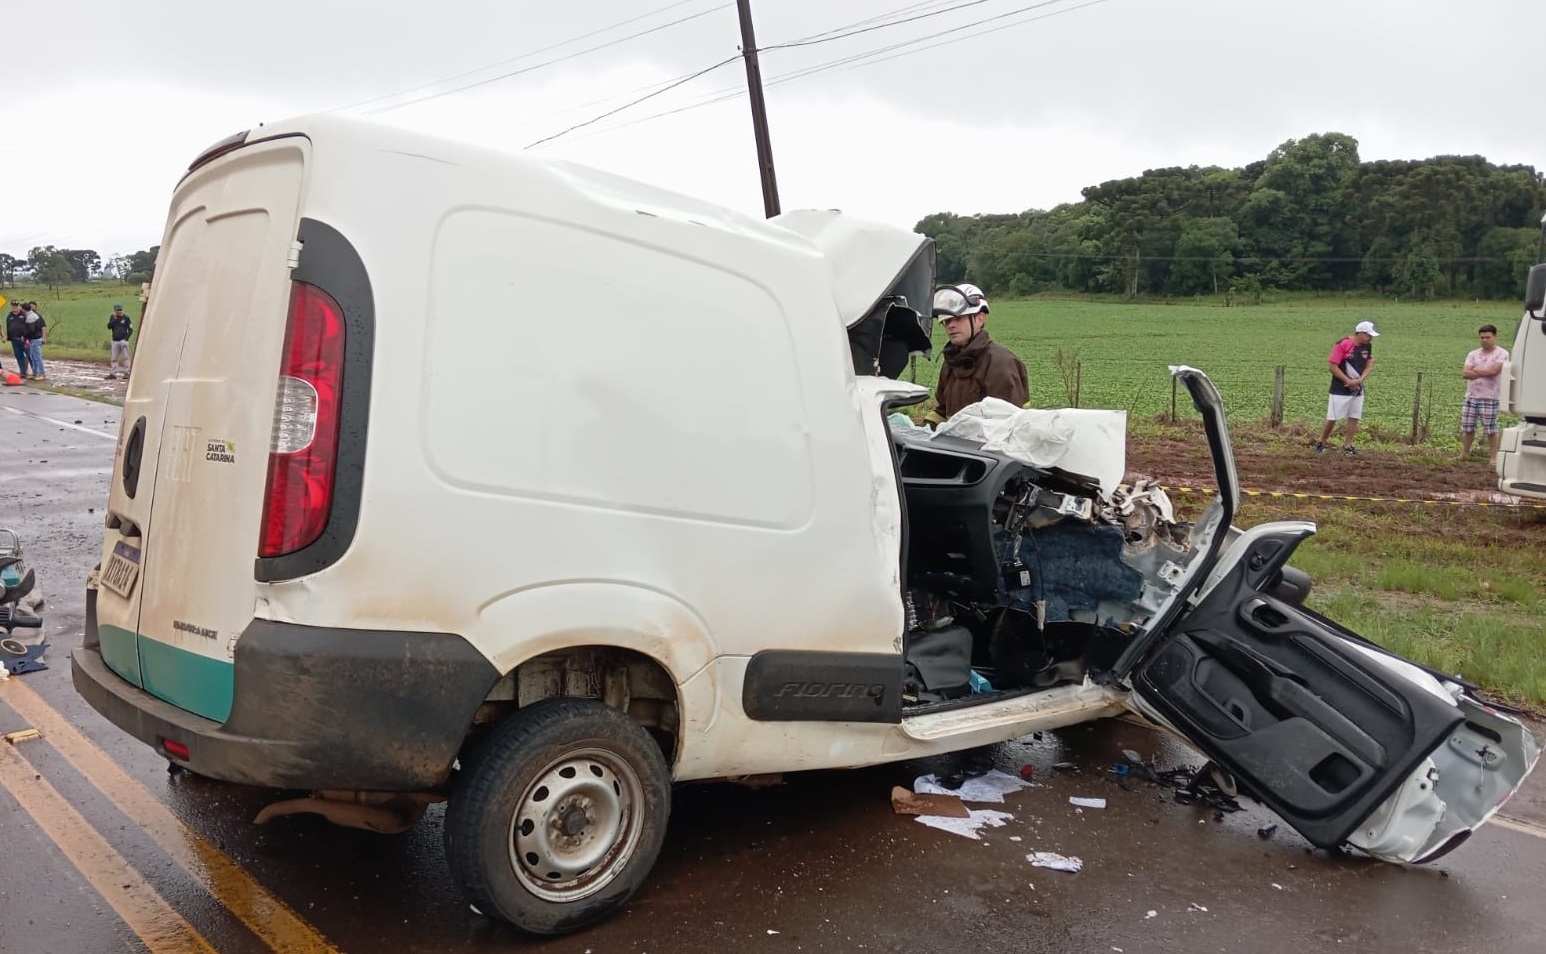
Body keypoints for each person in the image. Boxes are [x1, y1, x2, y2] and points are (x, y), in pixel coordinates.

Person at [929, 283, 1029, 421]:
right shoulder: (951, 362)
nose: (950, 325)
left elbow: (1007, 424)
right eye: (946, 321)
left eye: (958, 318)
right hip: (953, 441)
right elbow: (942, 412)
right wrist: (921, 430)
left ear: (980, 319)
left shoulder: (1001, 363)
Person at [1315, 320, 1378, 456]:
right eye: (1368, 335)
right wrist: (1348, 381)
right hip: (1340, 388)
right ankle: (1321, 442)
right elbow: (1332, 365)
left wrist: (1359, 381)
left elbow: (1369, 364)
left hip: (1357, 388)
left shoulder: (1367, 346)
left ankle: (1347, 446)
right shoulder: (1343, 344)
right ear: (1360, 333)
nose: (1370, 338)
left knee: (1354, 416)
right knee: (1333, 417)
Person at [1460, 323, 1509, 460]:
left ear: (1495, 337)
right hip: (1471, 396)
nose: (1484, 340)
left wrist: (1474, 371)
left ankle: (1493, 458)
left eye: (1487, 337)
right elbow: (1465, 373)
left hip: (1490, 397)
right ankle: (1464, 454)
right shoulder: (1473, 354)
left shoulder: (1502, 353)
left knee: (1490, 429)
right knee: (1468, 427)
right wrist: (1483, 372)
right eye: (1482, 337)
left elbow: (1493, 371)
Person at [107, 304, 133, 379]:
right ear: (115, 310)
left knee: (126, 357)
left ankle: (127, 373)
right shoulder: (112, 317)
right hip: (115, 341)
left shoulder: (126, 318)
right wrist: (114, 319)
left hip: (123, 340)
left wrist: (126, 338)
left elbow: (130, 330)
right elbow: (109, 326)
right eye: (118, 310)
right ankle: (113, 374)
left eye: (120, 309)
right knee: (114, 358)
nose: (119, 311)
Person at [21, 302, 46, 381]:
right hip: (33, 339)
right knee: (33, 357)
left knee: (38, 357)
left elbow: (31, 330)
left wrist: (24, 336)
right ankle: (35, 373)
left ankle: (42, 374)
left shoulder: (31, 317)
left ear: (24, 309)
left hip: (35, 339)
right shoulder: (30, 315)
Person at [5, 300, 30, 378]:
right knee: (18, 356)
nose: (14, 308)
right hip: (14, 339)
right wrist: (8, 336)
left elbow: (29, 327)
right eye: (13, 306)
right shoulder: (10, 315)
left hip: (24, 339)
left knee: (29, 355)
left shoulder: (25, 315)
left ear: (19, 306)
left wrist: (26, 336)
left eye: (16, 306)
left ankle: (36, 372)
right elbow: (8, 326)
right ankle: (23, 372)